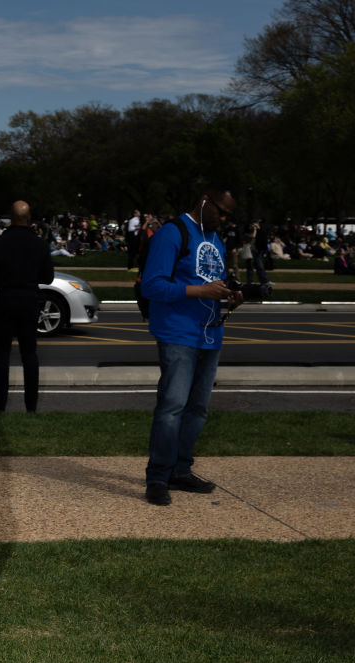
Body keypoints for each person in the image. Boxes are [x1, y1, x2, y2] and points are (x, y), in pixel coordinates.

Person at [141, 185, 244, 506]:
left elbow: (211, 282)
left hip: (209, 334)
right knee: (172, 407)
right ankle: (158, 477)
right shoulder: (172, 233)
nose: (225, 219)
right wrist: (201, 293)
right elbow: (152, 285)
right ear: (204, 201)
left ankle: (180, 469)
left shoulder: (214, 238)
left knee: (197, 410)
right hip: (177, 333)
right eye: (222, 212)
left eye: (229, 215)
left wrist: (230, 295)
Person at [0, 200, 55, 413]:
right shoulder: (39, 243)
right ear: (29, 217)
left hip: (3, 300)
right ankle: (30, 406)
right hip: (29, 300)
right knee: (29, 355)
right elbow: (48, 277)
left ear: (10, 218)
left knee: (1, 356)